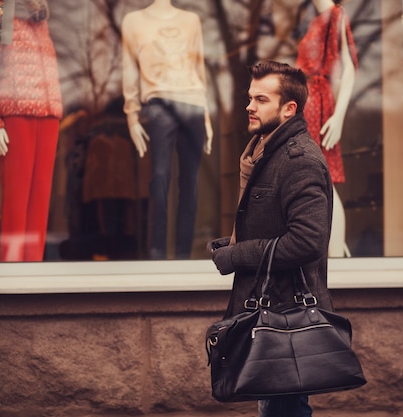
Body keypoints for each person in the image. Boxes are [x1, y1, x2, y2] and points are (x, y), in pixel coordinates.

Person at [208, 60, 334, 417]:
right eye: (250, 97)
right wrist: (227, 247)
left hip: (286, 316)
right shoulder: (263, 155)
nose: (249, 106)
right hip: (268, 311)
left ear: (288, 108)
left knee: (284, 411)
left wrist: (237, 256)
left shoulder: (299, 160)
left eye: (261, 99)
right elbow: (271, 228)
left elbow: (308, 242)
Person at [121, 0, 213, 260]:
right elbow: (129, 68)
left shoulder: (191, 20)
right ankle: (156, 255)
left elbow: (199, 69)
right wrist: (132, 114)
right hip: (158, 102)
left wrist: (206, 115)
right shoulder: (134, 21)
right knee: (160, 178)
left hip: (193, 102)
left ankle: (183, 256)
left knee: (189, 183)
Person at [0, 0, 63, 262]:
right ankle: (11, 274)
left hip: (48, 114)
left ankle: (32, 273)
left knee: (39, 205)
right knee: (16, 205)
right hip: (16, 112)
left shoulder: (40, 13)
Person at [296, 0, 358, 257]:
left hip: (318, 106)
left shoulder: (336, 16)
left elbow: (349, 68)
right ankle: (332, 247)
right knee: (311, 178)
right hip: (306, 102)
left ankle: (336, 252)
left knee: (323, 179)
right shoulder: (314, 21)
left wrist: (339, 115)